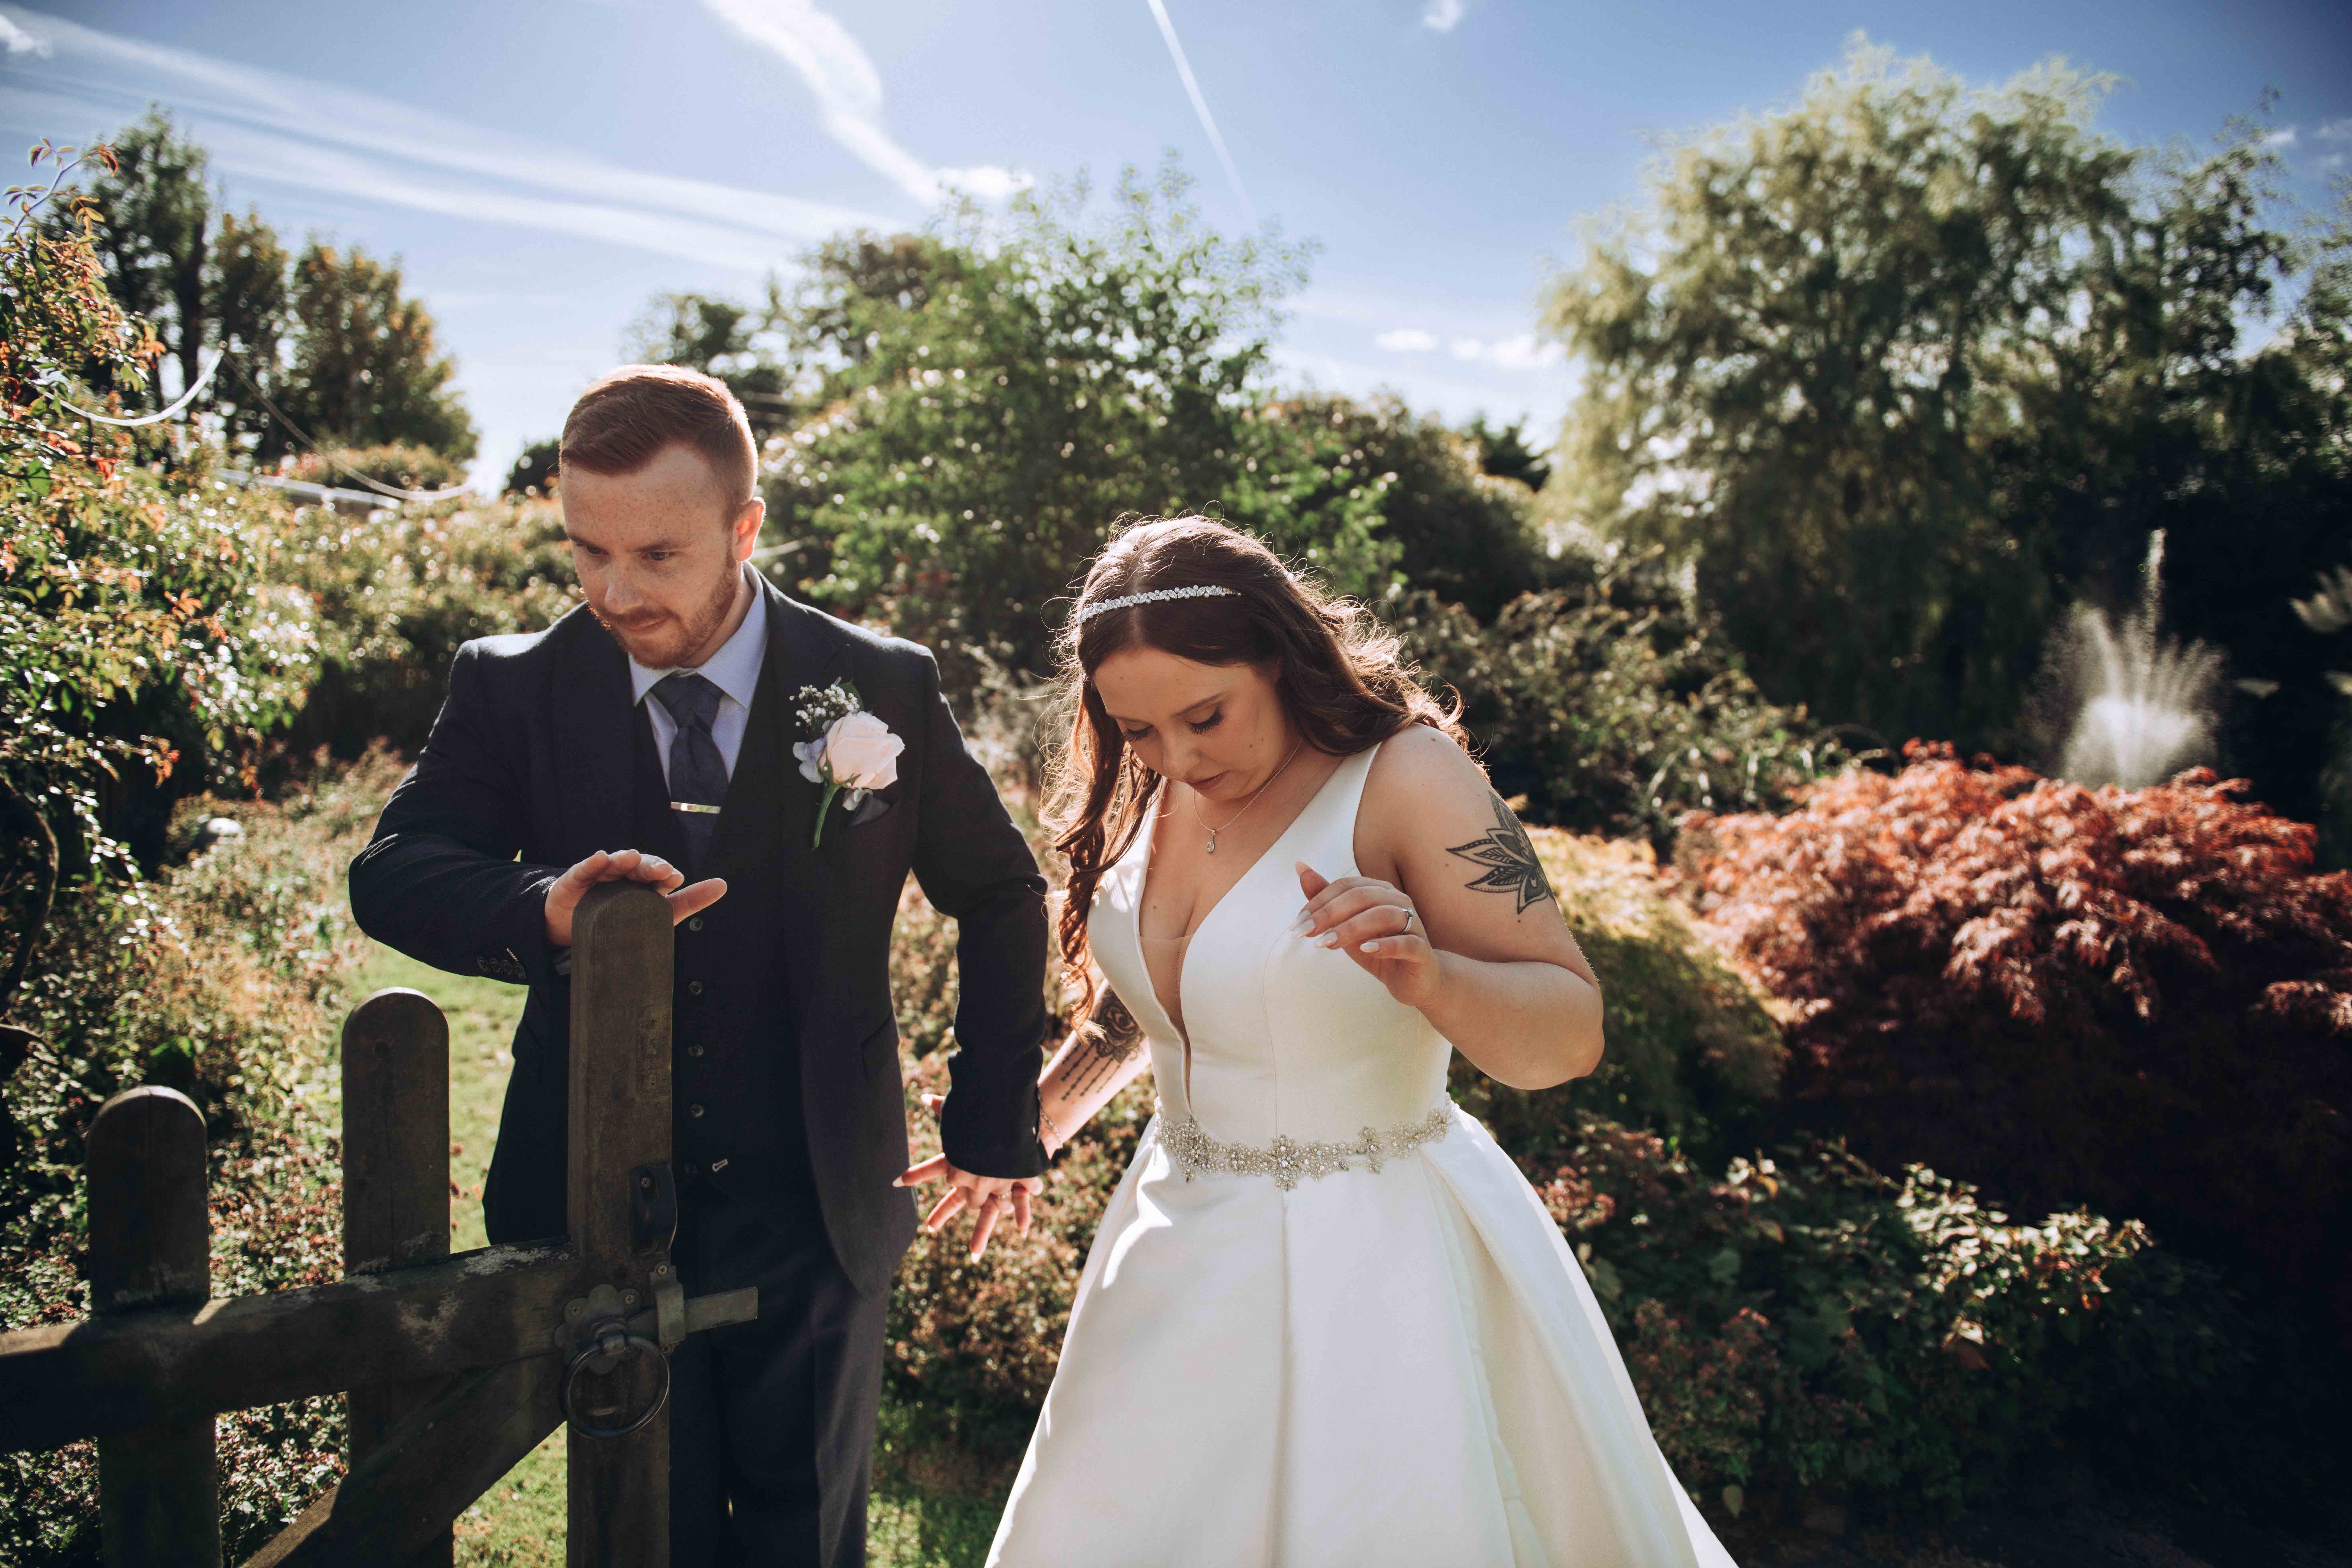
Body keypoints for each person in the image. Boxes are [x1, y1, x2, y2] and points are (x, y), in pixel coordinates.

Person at [348, 364, 1051, 1568]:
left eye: (658, 557)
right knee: (637, 1532)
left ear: (745, 526)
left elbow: (999, 890)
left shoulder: (880, 685)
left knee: (804, 1533)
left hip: (823, 1198)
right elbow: (395, 866)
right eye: (586, 551)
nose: (615, 593)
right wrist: (542, 905)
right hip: (594, 1202)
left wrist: (991, 1116)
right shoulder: (510, 684)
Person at [969, 516, 1741, 1566]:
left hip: (1375, 1267)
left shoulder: (1408, 777)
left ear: (1281, 656)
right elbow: (1155, 1005)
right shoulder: (1157, 782)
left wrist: (1432, 974)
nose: (1180, 759)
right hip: (1173, 1246)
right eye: (1139, 731)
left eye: (1207, 716)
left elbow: (1569, 1032)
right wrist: (1034, 1125)